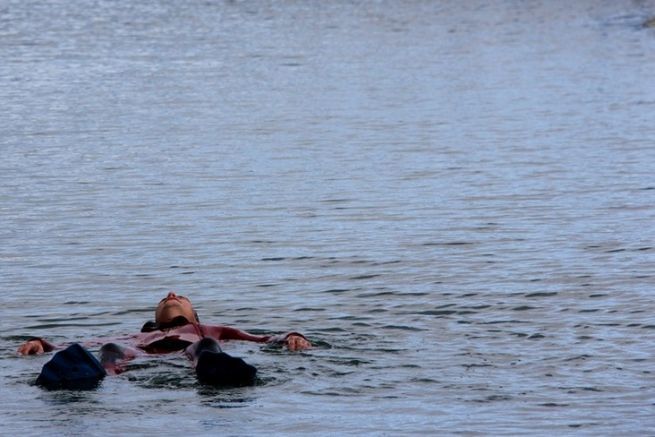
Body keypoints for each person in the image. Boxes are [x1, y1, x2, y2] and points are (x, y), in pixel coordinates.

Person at [18, 292, 311, 387]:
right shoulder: (139, 335)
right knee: (109, 348)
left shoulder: (211, 328)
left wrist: (291, 336)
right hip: (141, 357)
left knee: (206, 347)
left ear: (194, 315)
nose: (171, 295)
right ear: (155, 318)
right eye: (165, 298)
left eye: (179, 297)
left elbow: (262, 338)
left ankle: (211, 371)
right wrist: (43, 344)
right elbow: (91, 343)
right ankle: (98, 375)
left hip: (193, 356)